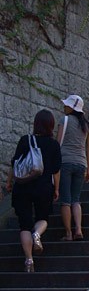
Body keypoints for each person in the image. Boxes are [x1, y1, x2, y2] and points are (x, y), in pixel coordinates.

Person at [5, 109, 61, 272]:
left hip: (23, 187)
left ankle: (29, 260)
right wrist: (56, 189)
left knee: (24, 225)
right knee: (43, 217)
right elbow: (56, 171)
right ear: (51, 125)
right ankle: (37, 234)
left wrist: (9, 183)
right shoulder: (53, 145)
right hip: (44, 188)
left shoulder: (25, 140)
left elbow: (15, 164)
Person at [56, 94, 89, 241]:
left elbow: (57, 143)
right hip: (81, 164)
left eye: (66, 105)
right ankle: (78, 229)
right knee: (76, 199)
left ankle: (68, 233)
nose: (64, 107)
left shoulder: (64, 120)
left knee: (66, 200)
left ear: (71, 107)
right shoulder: (88, 125)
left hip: (65, 162)